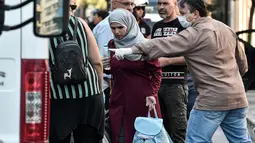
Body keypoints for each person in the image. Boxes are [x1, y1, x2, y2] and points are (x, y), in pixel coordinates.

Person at [109, 0, 251, 142]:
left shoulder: (194, 33)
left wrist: (131, 49)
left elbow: (164, 43)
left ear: (195, 14)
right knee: (241, 140)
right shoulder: (226, 28)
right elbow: (243, 65)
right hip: (237, 97)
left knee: (195, 139)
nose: (181, 18)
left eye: (183, 13)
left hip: (211, 99)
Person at [48, 0, 105, 142]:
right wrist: (98, 90)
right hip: (89, 95)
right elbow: (97, 62)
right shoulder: (81, 23)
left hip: (59, 97)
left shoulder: (43, 27)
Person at [108, 8, 162, 143]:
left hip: (142, 100)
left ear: (130, 25)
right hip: (119, 98)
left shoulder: (144, 45)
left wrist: (152, 93)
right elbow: (116, 70)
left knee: (140, 136)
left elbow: (156, 72)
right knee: (118, 135)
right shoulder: (112, 44)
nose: (117, 32)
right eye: (113, 28)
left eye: (120, 27)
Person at [150, 0, 189, 142]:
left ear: (175, 3)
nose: (161, 7)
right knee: (160, 130)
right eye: (159, 3)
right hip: (156, 85)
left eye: (165, 3)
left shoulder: (184, 26)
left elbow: (192, 57)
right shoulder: (156, 27)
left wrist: (168, 61)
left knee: (178, 129)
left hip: (176, 84)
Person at [93, 0, 135, 110]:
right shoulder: (109, 26)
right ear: (114, 4)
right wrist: (114, 91)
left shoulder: (128, 23)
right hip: (109, 88)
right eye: (126, 4)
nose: (130, 8)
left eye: (132, 4)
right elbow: (106, 61)